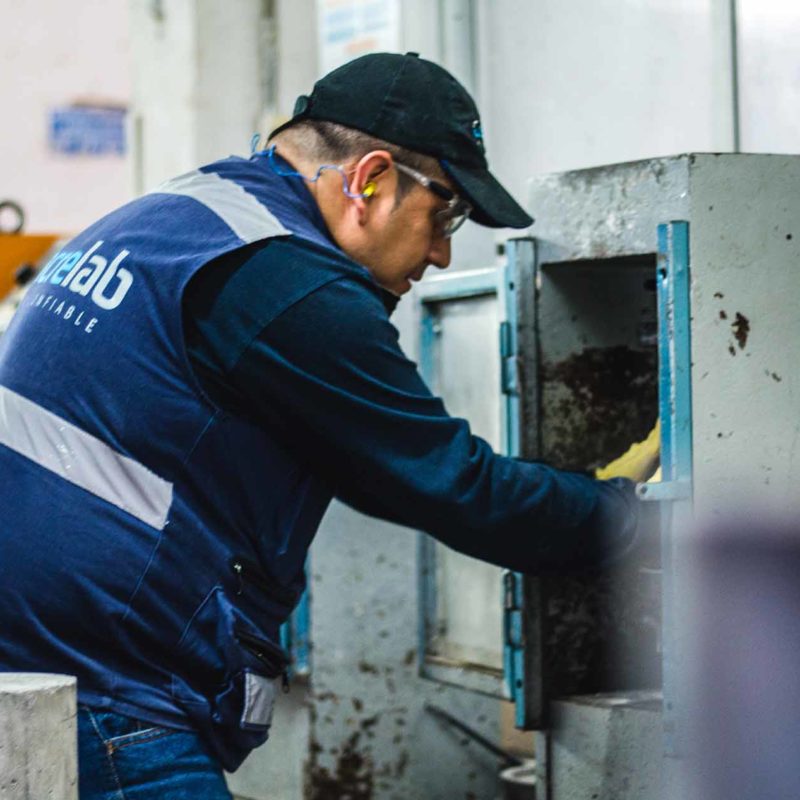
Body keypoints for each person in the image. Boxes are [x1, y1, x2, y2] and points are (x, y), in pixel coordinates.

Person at [0, 52, 648, 798]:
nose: (441, 253)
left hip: (43, 670)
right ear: (370, 178)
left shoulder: (175, 219)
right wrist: (643, 524)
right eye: (446, 214)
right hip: (114, 696)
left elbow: (372, 471)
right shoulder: (284, 281)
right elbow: (452, 486)